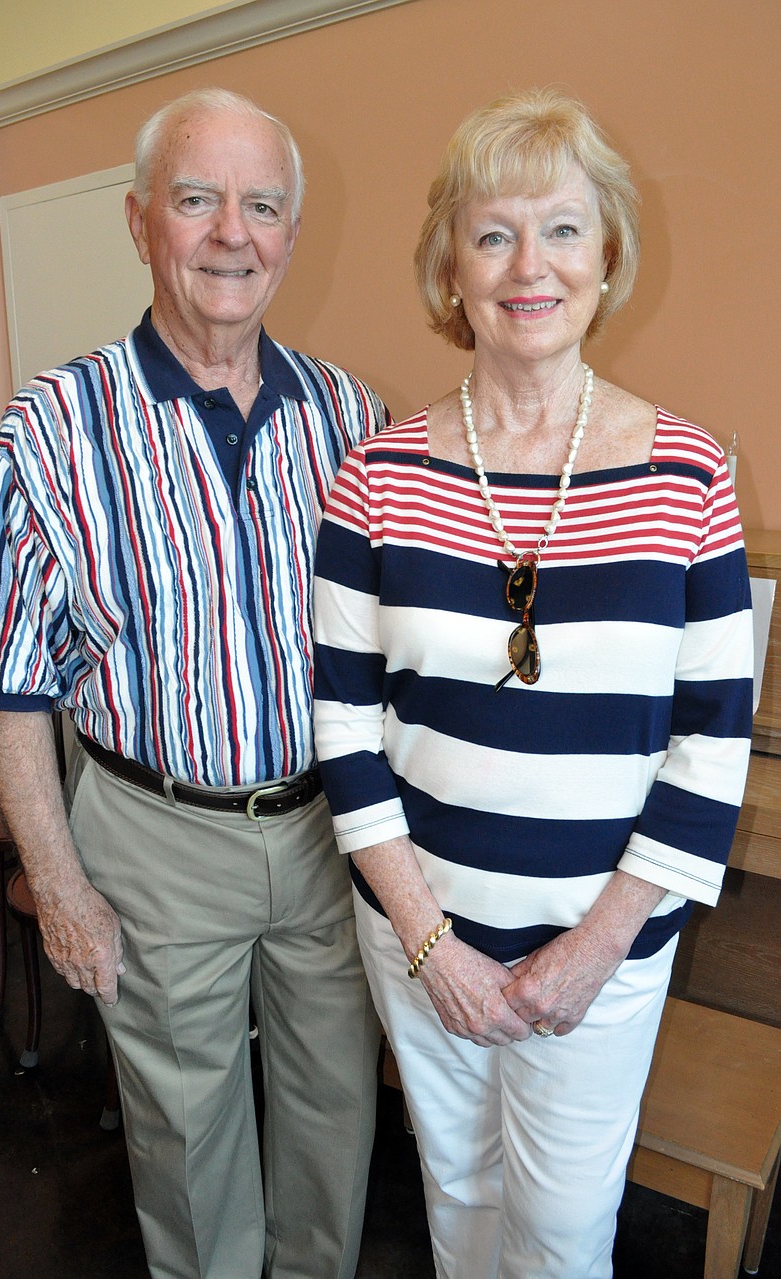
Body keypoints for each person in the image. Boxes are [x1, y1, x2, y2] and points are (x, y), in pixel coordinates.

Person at [312, 88, 753, 1279]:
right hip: (419, 934)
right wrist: (429, 942)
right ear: (448, 268)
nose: (528, 264)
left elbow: (712, 741)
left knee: (562, 1233)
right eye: (491, 231)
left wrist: (592, 947)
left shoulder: (689, 472)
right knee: (454, 1195)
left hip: (600, 948)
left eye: (562, 228)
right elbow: (344, 723)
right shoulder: (376, 473)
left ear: (606, 257)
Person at [0, 88, 386, 1279]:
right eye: (198, 199)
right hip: (149, 833)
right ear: (141, 220)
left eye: (261, 206)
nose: (230, 234)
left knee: (333, 1106)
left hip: (325, 828)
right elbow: (6, 682)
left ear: (291, 235)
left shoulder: (353, 418)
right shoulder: (51, 428)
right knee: (186, 1134)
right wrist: (60, 882)